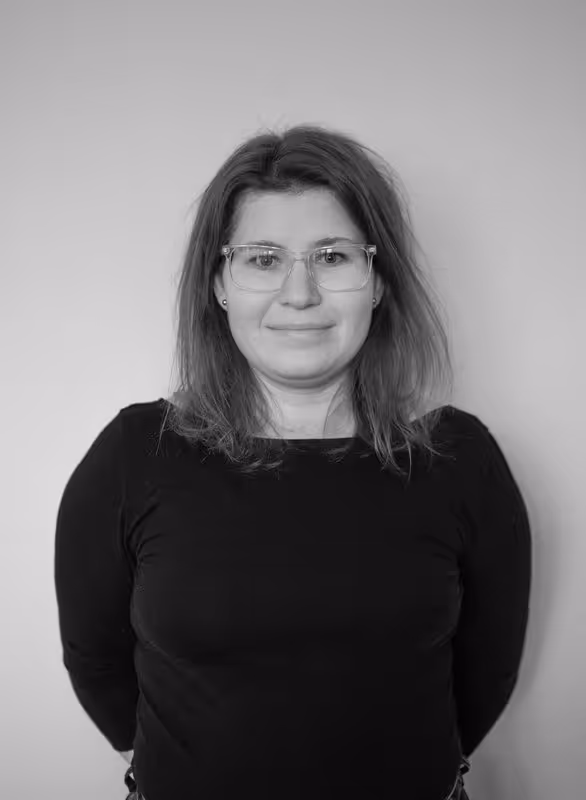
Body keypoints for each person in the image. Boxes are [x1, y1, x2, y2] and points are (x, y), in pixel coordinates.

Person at [54, 124, 532, 800]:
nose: (299, 293)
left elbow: (487, 674)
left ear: (378, 283)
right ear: (220, 284)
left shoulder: (461, 458)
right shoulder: (135, 454)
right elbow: (96, 661)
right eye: (263, 258)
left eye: (333, 257)